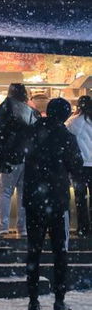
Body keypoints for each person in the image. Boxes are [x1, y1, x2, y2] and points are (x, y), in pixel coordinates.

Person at [23, 98, 83, 310]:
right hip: (57, 202)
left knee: (34, 251)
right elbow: (76, 167)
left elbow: (18, 155)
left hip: (33, 199)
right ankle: (59, 302)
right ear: (65, 115)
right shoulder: (66, 137)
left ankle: (32, 302)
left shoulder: (30, 132)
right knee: (60, 252)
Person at [0, 83, 39, 236]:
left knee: (5, 193)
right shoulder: (31, 111)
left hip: (10, 158)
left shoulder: (7, 108)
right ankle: (23, 228)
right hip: (27, 158)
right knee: (23, 194)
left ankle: (3, 227)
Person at [66, 95, 92, 236]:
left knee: (80, 198)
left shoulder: (74, 121)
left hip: (80, 166)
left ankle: (83, 227)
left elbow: (66, 135)